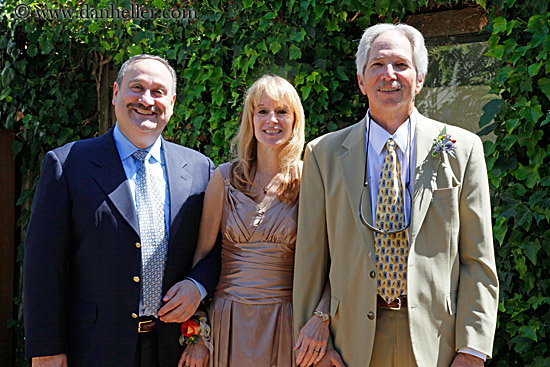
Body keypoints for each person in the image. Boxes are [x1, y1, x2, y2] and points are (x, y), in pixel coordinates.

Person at [293, 23, 499, 367]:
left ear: (418, 79)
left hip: (438, 342)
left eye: (401, 65)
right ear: (361, 81)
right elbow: (311, 261)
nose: (389, 74)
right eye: (377, 65)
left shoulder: (462, 150)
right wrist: (316, 345)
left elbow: (477, 261)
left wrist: (472, 351)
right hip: (349, 343)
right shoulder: (322, 154)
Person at [23, 54, 220, 367]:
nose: (146, 100)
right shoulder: (69, 164)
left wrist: (198, 286)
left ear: (171, 101)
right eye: (137, 87)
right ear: (115, 93)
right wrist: (46, 350)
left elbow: (215, 250)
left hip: (173, 347)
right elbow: (44, 267)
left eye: (158, 92)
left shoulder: (200, 169)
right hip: (92, 348)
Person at [178, 75, 331, 367]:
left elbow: (333, 264)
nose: (271, 120)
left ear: (295, 119)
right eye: (262, 110)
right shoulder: (223, 178)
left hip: (288, 323)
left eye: (281, 111)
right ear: (251, 118)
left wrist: (321, 318)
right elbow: (201, 259)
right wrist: (198, 335)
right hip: (227, 322)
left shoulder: (312, 179)